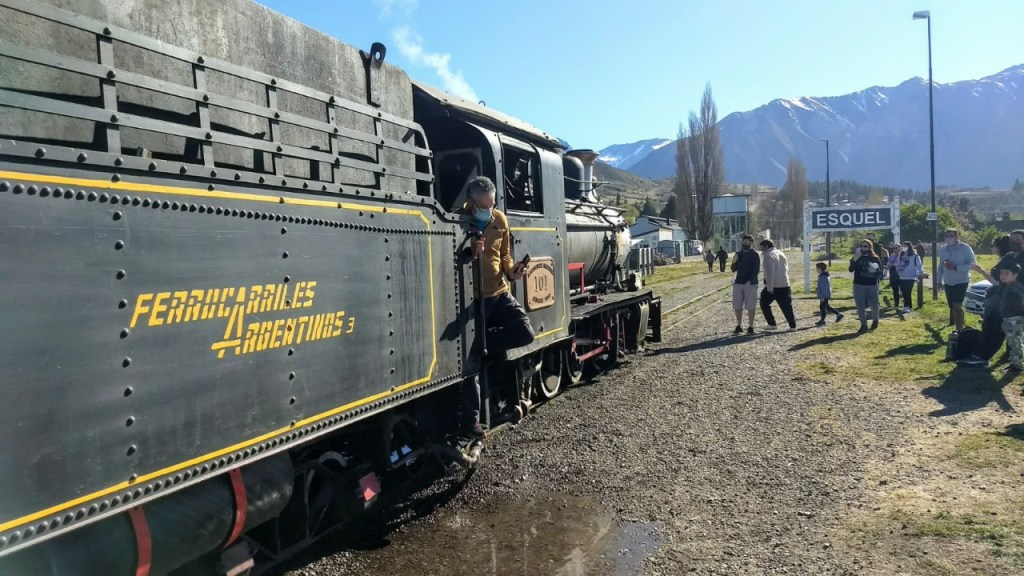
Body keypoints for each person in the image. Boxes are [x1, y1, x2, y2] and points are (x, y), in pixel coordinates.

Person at [459, 176, 535, 439]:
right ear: (471, 202)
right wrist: (470, 252)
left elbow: (504, 254)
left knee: (525, 332)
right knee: (470, 365)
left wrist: (512, 271)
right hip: (474, 298)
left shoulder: (500, 219)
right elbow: (452, 260)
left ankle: (485, 344)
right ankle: (473, 422)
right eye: (483, 206)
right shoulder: (458, 221)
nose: (488, 210)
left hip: (500, 292)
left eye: (491, 205)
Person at [960, 233, 1019, 368]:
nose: (992, 248)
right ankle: (1005, 356)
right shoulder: (1009, 258)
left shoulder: (1009, 261)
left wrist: (980, 270)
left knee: (996, 329)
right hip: (999, 299)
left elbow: (998, 282)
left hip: (1003, 300)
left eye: (993, 246)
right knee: (1001, 329)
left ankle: (984, 356)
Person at [936, 228, 976, 333]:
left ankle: (960, 330)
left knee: (957, 306)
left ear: (956, 237)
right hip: (948, 282)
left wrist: (956, 267)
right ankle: (957, 327)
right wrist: (939, 281)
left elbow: (973, 265)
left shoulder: (965, 248)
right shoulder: (943, 249)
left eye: (951, 236)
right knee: (952, 307)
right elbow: (940, 266)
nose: (948, 238)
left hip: (961, 281)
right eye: (947, 236)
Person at [759, 238, 797, 330]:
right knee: (787, 306)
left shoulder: (768, 256)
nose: (761, 250)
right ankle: (792, 325)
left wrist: (769, 287)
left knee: (764, 302)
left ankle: (772, 324)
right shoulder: (781, 253)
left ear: (766, 246)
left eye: (762, 248)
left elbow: (769, 273)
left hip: (774, 285)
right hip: (785, 283)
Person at [849, 238, 883, 334]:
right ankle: (863, 325)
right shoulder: (856, 257)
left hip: (872, 285)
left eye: (865, 246)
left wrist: (875, 271)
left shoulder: (875, 258)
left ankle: (875, 320)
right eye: (861, 246)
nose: (863, 248)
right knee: (860, 306)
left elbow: (880, 272)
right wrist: (855, 259)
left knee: (874, 305)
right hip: (858, 284)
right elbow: (851, 269)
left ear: (869, 247)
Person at [997, 263, 1024, 373]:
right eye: (1001, 273)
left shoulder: (1015, 289)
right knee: (1012, 342)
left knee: (1016, 342)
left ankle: (1017, 365)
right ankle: (1015, 362)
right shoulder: (1007, 287)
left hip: (1015, 319)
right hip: (1008, 318)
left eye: (1007, 273)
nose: (1003, 276)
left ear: (1015, 275)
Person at [731, 234, 760, 335]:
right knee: (737, 305)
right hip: (738, 282)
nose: (745, 244)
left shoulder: (755, 255)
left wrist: (750, 280)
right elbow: (733, 269)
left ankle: (751, 326)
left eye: (748, 243)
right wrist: (734, 261)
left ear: (751, 243)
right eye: (744, 242)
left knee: (751, 305)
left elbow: (756, 270)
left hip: (750, 283)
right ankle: (739, 325)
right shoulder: (738, 254)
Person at [894, 241, 924, 314]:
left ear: (909, 247)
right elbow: (897, 264)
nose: (903, 248)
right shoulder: (901, 255)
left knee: (908, 291)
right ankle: (909, 306)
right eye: (902, 246)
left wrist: (921, 273)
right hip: (902, 276)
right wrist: (898, 269)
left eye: (905, 246)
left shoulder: (915, 256)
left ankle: (906, 306)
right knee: (904, 292)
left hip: (911, 276)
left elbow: (919, 266)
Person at [886, 243, 902, 309]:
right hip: (893, 274)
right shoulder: (891, 256)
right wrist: (889, 265)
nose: (895, 250)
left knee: (904, 290)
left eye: (896, 248)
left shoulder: (902, 256)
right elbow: (888, 264)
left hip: (900, 274)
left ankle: (906, 304)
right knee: (895, 290)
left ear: (900, 248)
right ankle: (896, 305)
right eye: (894, 248)